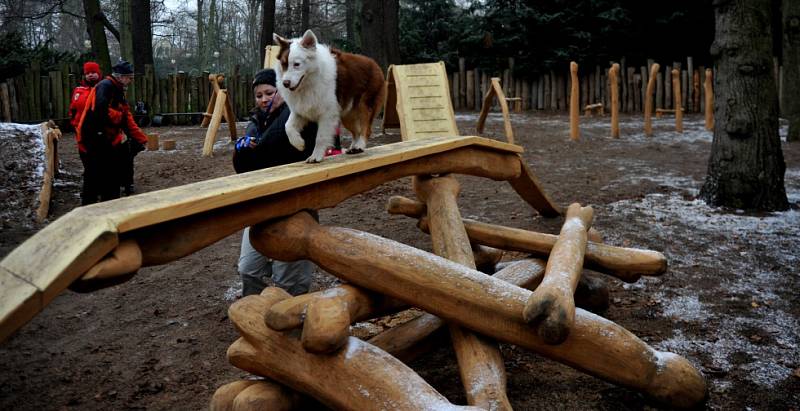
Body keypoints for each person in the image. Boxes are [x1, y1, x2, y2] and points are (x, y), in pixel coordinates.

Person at [233, 68, 319, 297]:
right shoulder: (255, 122)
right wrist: (241, 152)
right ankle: (257, 314)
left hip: (295, 205)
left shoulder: (301, 116)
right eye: (259, 95)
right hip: (261, 206)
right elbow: (244, 170)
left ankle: (294, 322)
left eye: (269, 93)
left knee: (289, 279)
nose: (263, 99)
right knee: (248, 269)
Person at [77, 60, 148, 205]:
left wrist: (140, 138)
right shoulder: (106, 87)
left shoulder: (116, 88)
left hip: (103, 137)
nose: (130, 80)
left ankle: (108, 201)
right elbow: (100, 111)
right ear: (121, 76)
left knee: (110, 173)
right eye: (129, 77)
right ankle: (94, 205)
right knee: (97, 174)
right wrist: (119, 117)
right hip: (94, 138)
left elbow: (126, 116)